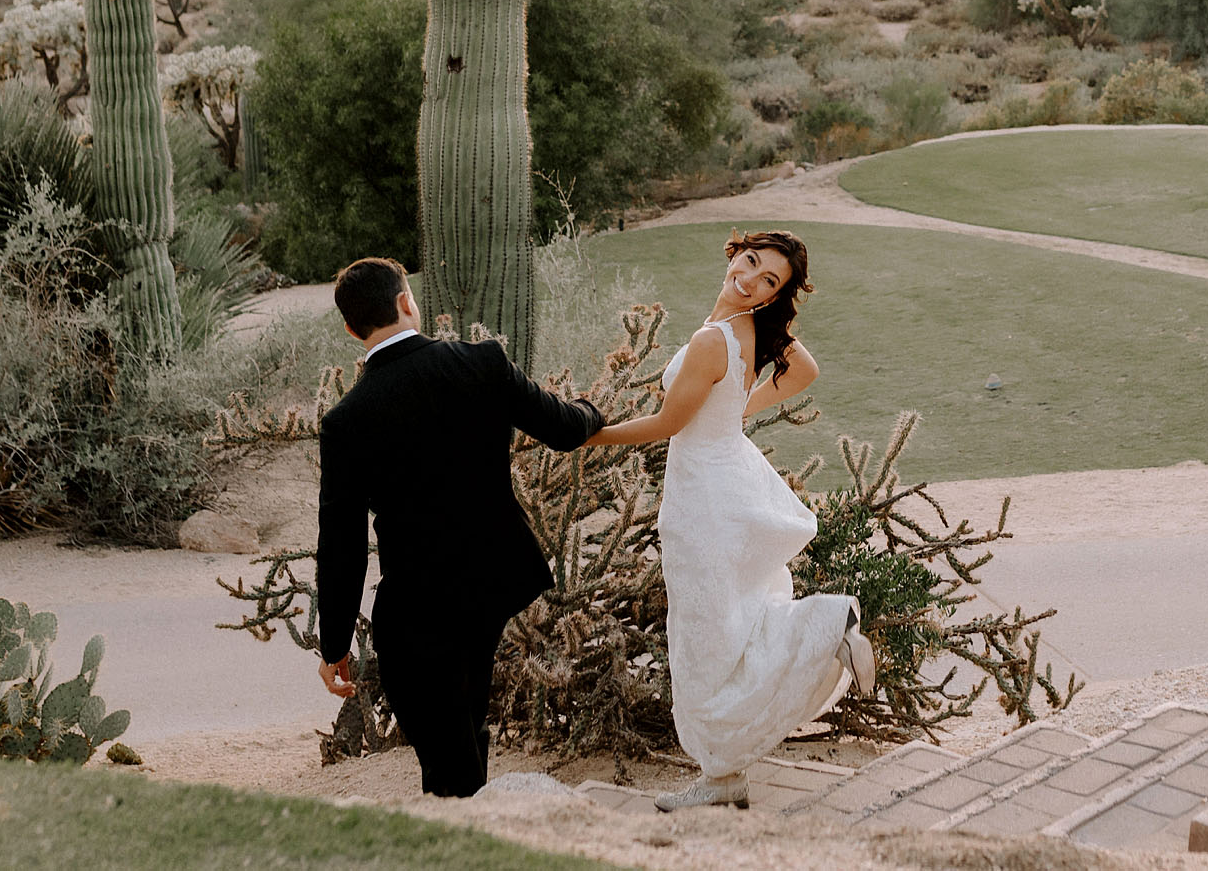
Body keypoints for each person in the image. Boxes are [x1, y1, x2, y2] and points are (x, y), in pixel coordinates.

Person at [585, 229, 874, 811]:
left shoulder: (713, 338)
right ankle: (724, 776)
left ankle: (826, 624)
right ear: (735, 254)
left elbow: (667, 424)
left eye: (769, 280)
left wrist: (591, 435)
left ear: (774, 294)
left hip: (705, 501)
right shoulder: (742, 331)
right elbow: (806, 369)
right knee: (728, 627)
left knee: (705, 639)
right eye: (750, 263)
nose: (750, 279)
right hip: (728, 482)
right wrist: (734, 411)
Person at [314, 257, 604, 797]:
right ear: (407, 302)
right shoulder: (482, 363)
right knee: (468, 726)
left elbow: (342, 545)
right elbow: (564, 428)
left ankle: (465, 833)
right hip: (490, 587)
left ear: (352, 329)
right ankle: (472, 821)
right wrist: (594, 411)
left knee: (449, 756)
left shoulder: (345, 421)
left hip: (417, 606)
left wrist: (334, 645)